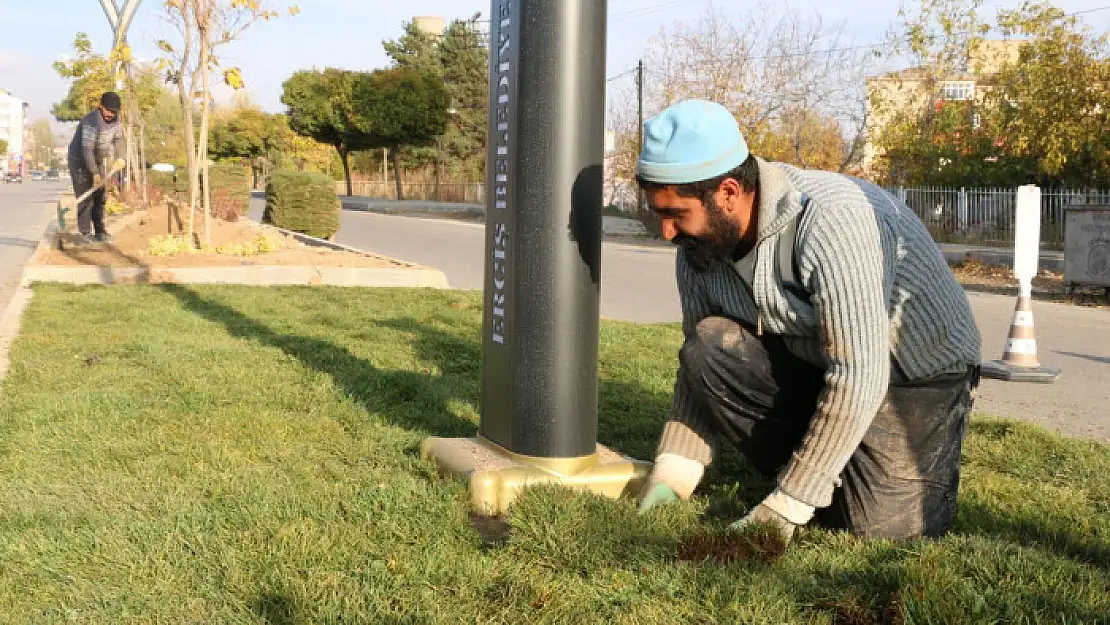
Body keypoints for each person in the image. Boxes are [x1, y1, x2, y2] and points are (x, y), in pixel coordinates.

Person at [634, 99, 982, 545]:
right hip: (817, 360)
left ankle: (815, 481)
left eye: (675, 214)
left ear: (727, 193)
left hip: (912, 374)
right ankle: (823, 466)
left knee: (879, 532)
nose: (667, 233)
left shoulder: (830, 220)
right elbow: (697, 363)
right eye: (659, 214)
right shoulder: (699, 248)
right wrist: (674, 472)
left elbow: (860, 373)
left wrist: (787, 505)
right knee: (709, 344)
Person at [67, 91, 126, 244]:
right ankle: (85, 233)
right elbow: (87, 150)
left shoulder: (115, 121)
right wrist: (94, 174)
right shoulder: (91, 122)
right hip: (79, 161)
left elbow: (119, 139)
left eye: (114, 112)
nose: (110, 114)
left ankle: (100, 231)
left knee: (100, 196)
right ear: (101, 106)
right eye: (108, 110)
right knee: (86, 195)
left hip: (97, 160)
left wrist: (121, 157)